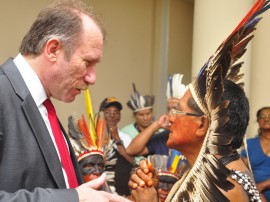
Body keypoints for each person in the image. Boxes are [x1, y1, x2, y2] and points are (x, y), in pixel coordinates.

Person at [128, 1, 270, 201]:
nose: (170, 119)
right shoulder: (220, 173)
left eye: (177, 110)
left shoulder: (220, 187)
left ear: (202, 124)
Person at [0, 1, 130, 201]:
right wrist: (74, 199)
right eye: (87, 62)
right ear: (52, 49)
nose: (92, 78)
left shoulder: (44, 107)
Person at [126, 74, 186, 158]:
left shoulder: (196, 137)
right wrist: (156, 125)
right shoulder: (164, 137)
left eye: (175, 109)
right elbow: (130, 150)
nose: (170, 114)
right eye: (168, 109)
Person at [99, 97, 135, 197]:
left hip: (123, 189)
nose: (112, 115)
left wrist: (117, 139)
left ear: (119, 116)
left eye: (116, 112)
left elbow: (132, 160)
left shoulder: (125, 137)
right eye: (108, 112)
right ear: (102, 115)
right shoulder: (94, 136)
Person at [121, 83, 160, 164]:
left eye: (148, 114)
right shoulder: (125, 132)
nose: (145, 118)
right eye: (141, 115)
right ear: (135, 115)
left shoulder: (160, 131)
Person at [241, 106, 270, 202]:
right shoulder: (249, 144)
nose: (266, 118)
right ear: (258, 120)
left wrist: (262, 186)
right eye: (262, 116)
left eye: (269, 116)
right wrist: (256, 190)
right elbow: (243, 171)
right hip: (255, 195)